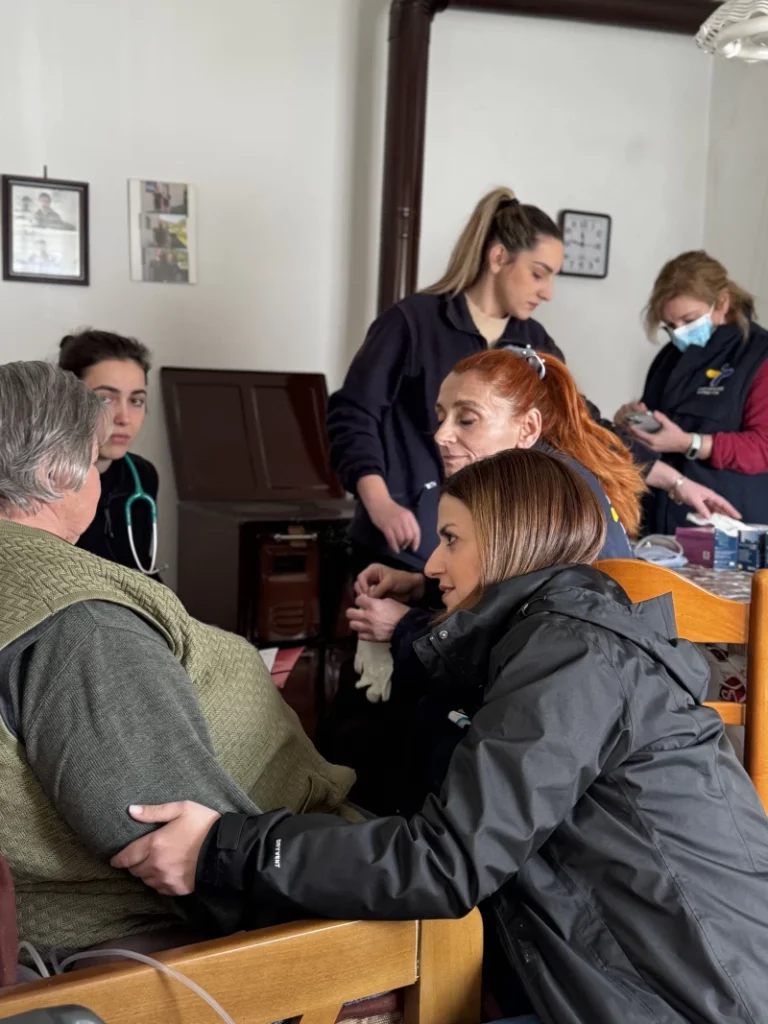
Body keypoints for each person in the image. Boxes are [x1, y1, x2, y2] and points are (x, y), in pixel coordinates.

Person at [114, 448, 768, 1024]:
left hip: (691, 1003)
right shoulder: (541, 642)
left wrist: (224, 848)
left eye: (451, 539)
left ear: (511, 542)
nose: (430, 563)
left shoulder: (572, 657)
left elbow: (446, 861)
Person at [0, 361, 354, 961]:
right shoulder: (83, 625)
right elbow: (160, 833)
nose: (100, 478)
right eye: (93, 462)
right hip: (167, 918)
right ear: (57, 473)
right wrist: (329, 901)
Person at [327, 187, 567, 573]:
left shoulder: (537, 344)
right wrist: (380, 503)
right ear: (498, 257)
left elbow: (569, 422)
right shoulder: (412, 322)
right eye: (539, 274)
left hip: (485, 555)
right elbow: (353, 415)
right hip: (402, 547)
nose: (548, 292)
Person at [618, 250, 768, 532]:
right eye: (670, 326)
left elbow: (763, 447)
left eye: (689, 321)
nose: (680, 333)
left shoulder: (759, 356)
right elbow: (656, 429)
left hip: (727, 523)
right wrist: (632, 421)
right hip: (661, 518)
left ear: (722, 302)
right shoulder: (669, 356)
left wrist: (690, 443)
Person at [59, 329, 161, 575]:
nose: (124, 418)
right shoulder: (34, 481)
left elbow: (142, 570)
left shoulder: (142, 475)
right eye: (105, 399)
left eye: (136, 400)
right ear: (68, 400)